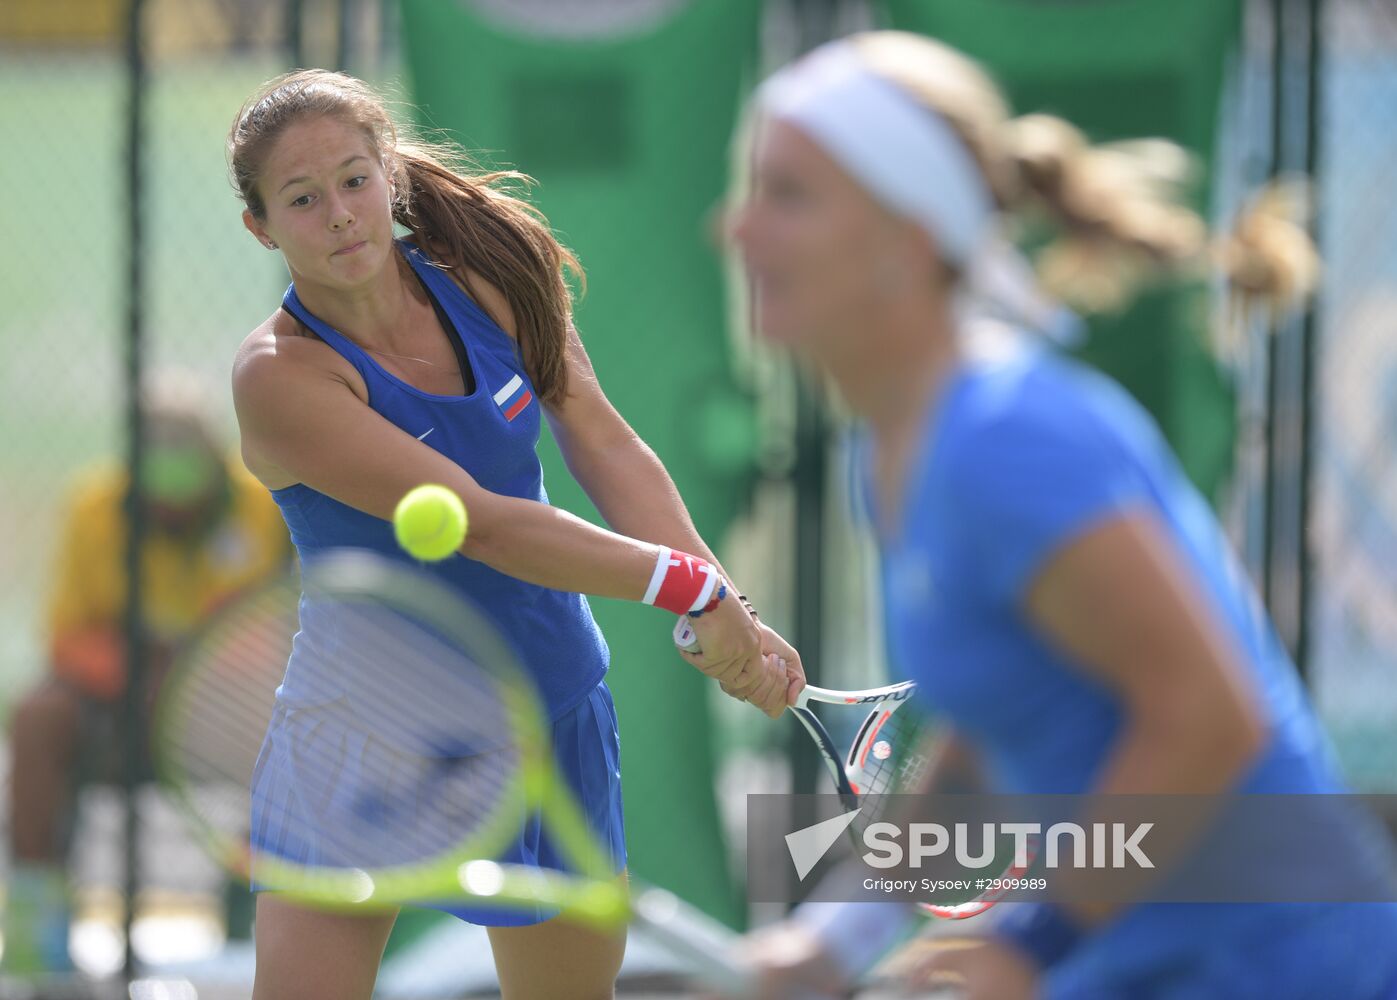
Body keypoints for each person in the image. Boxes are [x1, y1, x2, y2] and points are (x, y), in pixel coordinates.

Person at [722, 31, 1397, 1000]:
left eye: (787, 195)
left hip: (1282, 965)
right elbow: (979, 732)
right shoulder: (889, 447)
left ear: (905, 240)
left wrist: (1026, 942)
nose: (737, 230)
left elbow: (1207, 714)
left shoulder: (1007, 437)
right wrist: (836, 936)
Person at [226, 69, 803, 1000]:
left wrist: (722, 593)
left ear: (390, 178)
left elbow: (603, 439)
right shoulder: (279, 379)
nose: (337, 213)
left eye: (353, 179)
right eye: (301, 198)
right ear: (262, 226)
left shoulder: (487, 281)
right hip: (367, 731)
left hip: (546, 706)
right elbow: (485, 527)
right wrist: (693, 591)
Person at [3, 383, 290, 974]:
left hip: (221, 712)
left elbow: (268, 633)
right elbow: (68, 638)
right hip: (120, 703)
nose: (171, 505)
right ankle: (40, 936)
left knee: (288, 725)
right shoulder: (94, 507)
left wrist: (190, 668)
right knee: (37, 720)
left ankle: (253, 921)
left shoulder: (259, 506)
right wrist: (138, 667)